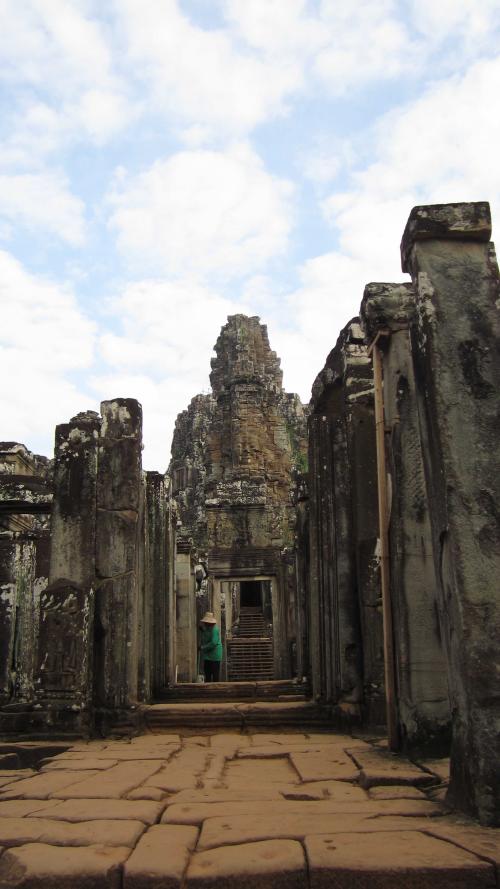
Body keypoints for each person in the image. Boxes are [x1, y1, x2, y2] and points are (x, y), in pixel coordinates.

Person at [199, 611, 223, 682]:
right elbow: (206, 635)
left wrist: (202, 647)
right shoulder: (207, 628)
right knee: (207, 674)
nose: (205, 623)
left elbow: (213, 642)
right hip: (207, 655)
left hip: (215, 655)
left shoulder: (215, 629)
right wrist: (203, 630)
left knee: (215, 675)